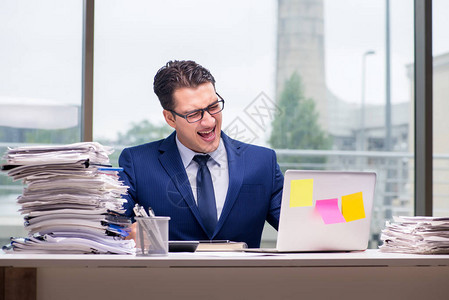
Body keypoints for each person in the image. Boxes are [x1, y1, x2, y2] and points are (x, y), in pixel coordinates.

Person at [118, 60, 283, 248]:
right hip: (169, 276)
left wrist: (324, 207)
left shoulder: (262, 162)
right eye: (194, 114)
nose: (209, 121)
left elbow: (300, 222)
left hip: (243, 277)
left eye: (213, 107)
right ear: (170, 118)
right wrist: (124, 235)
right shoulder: (137, 164)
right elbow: (106, 226)